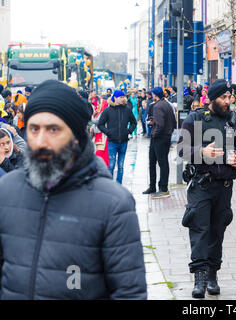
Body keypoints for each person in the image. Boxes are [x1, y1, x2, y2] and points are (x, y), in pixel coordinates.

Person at [0, 79, 147, 300]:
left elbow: (129, 293)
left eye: (53, 129)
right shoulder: (6, 191)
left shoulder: (113, 204)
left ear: (76, 136)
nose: (41, 141)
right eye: (34, 129)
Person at [177, 79, 236, 299]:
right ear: (212, 99)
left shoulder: (234, 122)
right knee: (200, 230)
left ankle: (213, 274)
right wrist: (202, 152)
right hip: (201, 185)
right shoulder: (195, 118)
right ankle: (199, 277)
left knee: (217, 230)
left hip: (224, 187)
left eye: (230, 98)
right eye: (223, 98)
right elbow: (181, 150)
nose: (228, 102)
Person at [142, 87, 177, 198]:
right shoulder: (168, 104)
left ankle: (162, 188)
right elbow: (172, 121)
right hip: (165, 137)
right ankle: (154, 186)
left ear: (154, 95)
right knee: (159, 162)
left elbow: (160, 124)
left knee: (158, 162)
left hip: (159, 137)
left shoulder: (157, 106)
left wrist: (154, 132)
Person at [98, 90, 137, 184]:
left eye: (123, 97)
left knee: (121, 166)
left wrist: (128, 131)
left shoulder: (127, 109)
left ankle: (119, 185)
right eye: (120, 97)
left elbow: (134, 122)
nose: (122, 98)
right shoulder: (108, 110)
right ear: (115, 98)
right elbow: (100, 124)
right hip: (112, 141)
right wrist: (108, 132)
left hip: (124, 141)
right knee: (111, 165)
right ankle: (111, 185)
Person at [91, 97, 109, 167]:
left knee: (100, 153)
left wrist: (91, 116)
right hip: (99, 135)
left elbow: (96, 121)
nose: (97, 106)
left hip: (102, 135)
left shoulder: (103, 112)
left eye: (99, 104)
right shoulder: (100, 112)